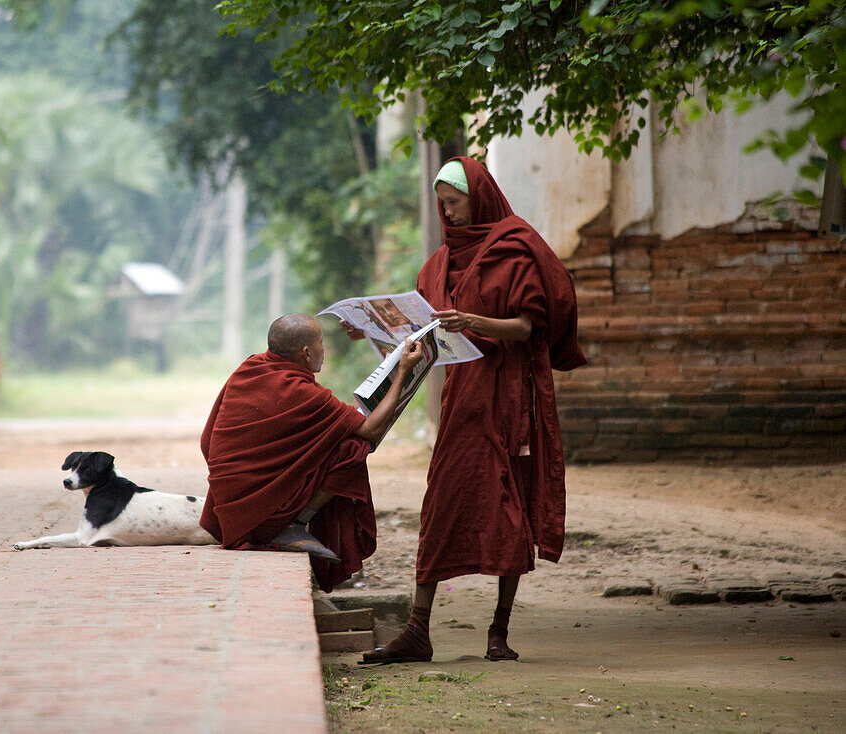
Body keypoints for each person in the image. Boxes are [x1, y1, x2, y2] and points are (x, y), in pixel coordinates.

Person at [350, 157, 586, 663]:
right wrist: (370, 327)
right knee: (443, 502)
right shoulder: (439, 263)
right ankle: (418, 630)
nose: (449, 214)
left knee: (512, 507)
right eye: (443, 206)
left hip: (509, 396)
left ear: (478, 197)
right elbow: (421, 332)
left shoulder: (514, 249)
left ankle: (498, 632)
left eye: (455, 203)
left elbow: (527, 327)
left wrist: (476, 320)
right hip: (461, 399)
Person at [199, 313, 424, 592]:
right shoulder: (299, 390)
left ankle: (285, 519)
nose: (323, 350)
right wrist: (401, 373)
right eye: (320, 343)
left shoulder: (250, 367)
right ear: (306, 353)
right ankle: (293, 522)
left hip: (231, 503)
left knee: (337, 435)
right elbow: (371, 431)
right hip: (256, 513)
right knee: (354, 448)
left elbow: (207, 439)